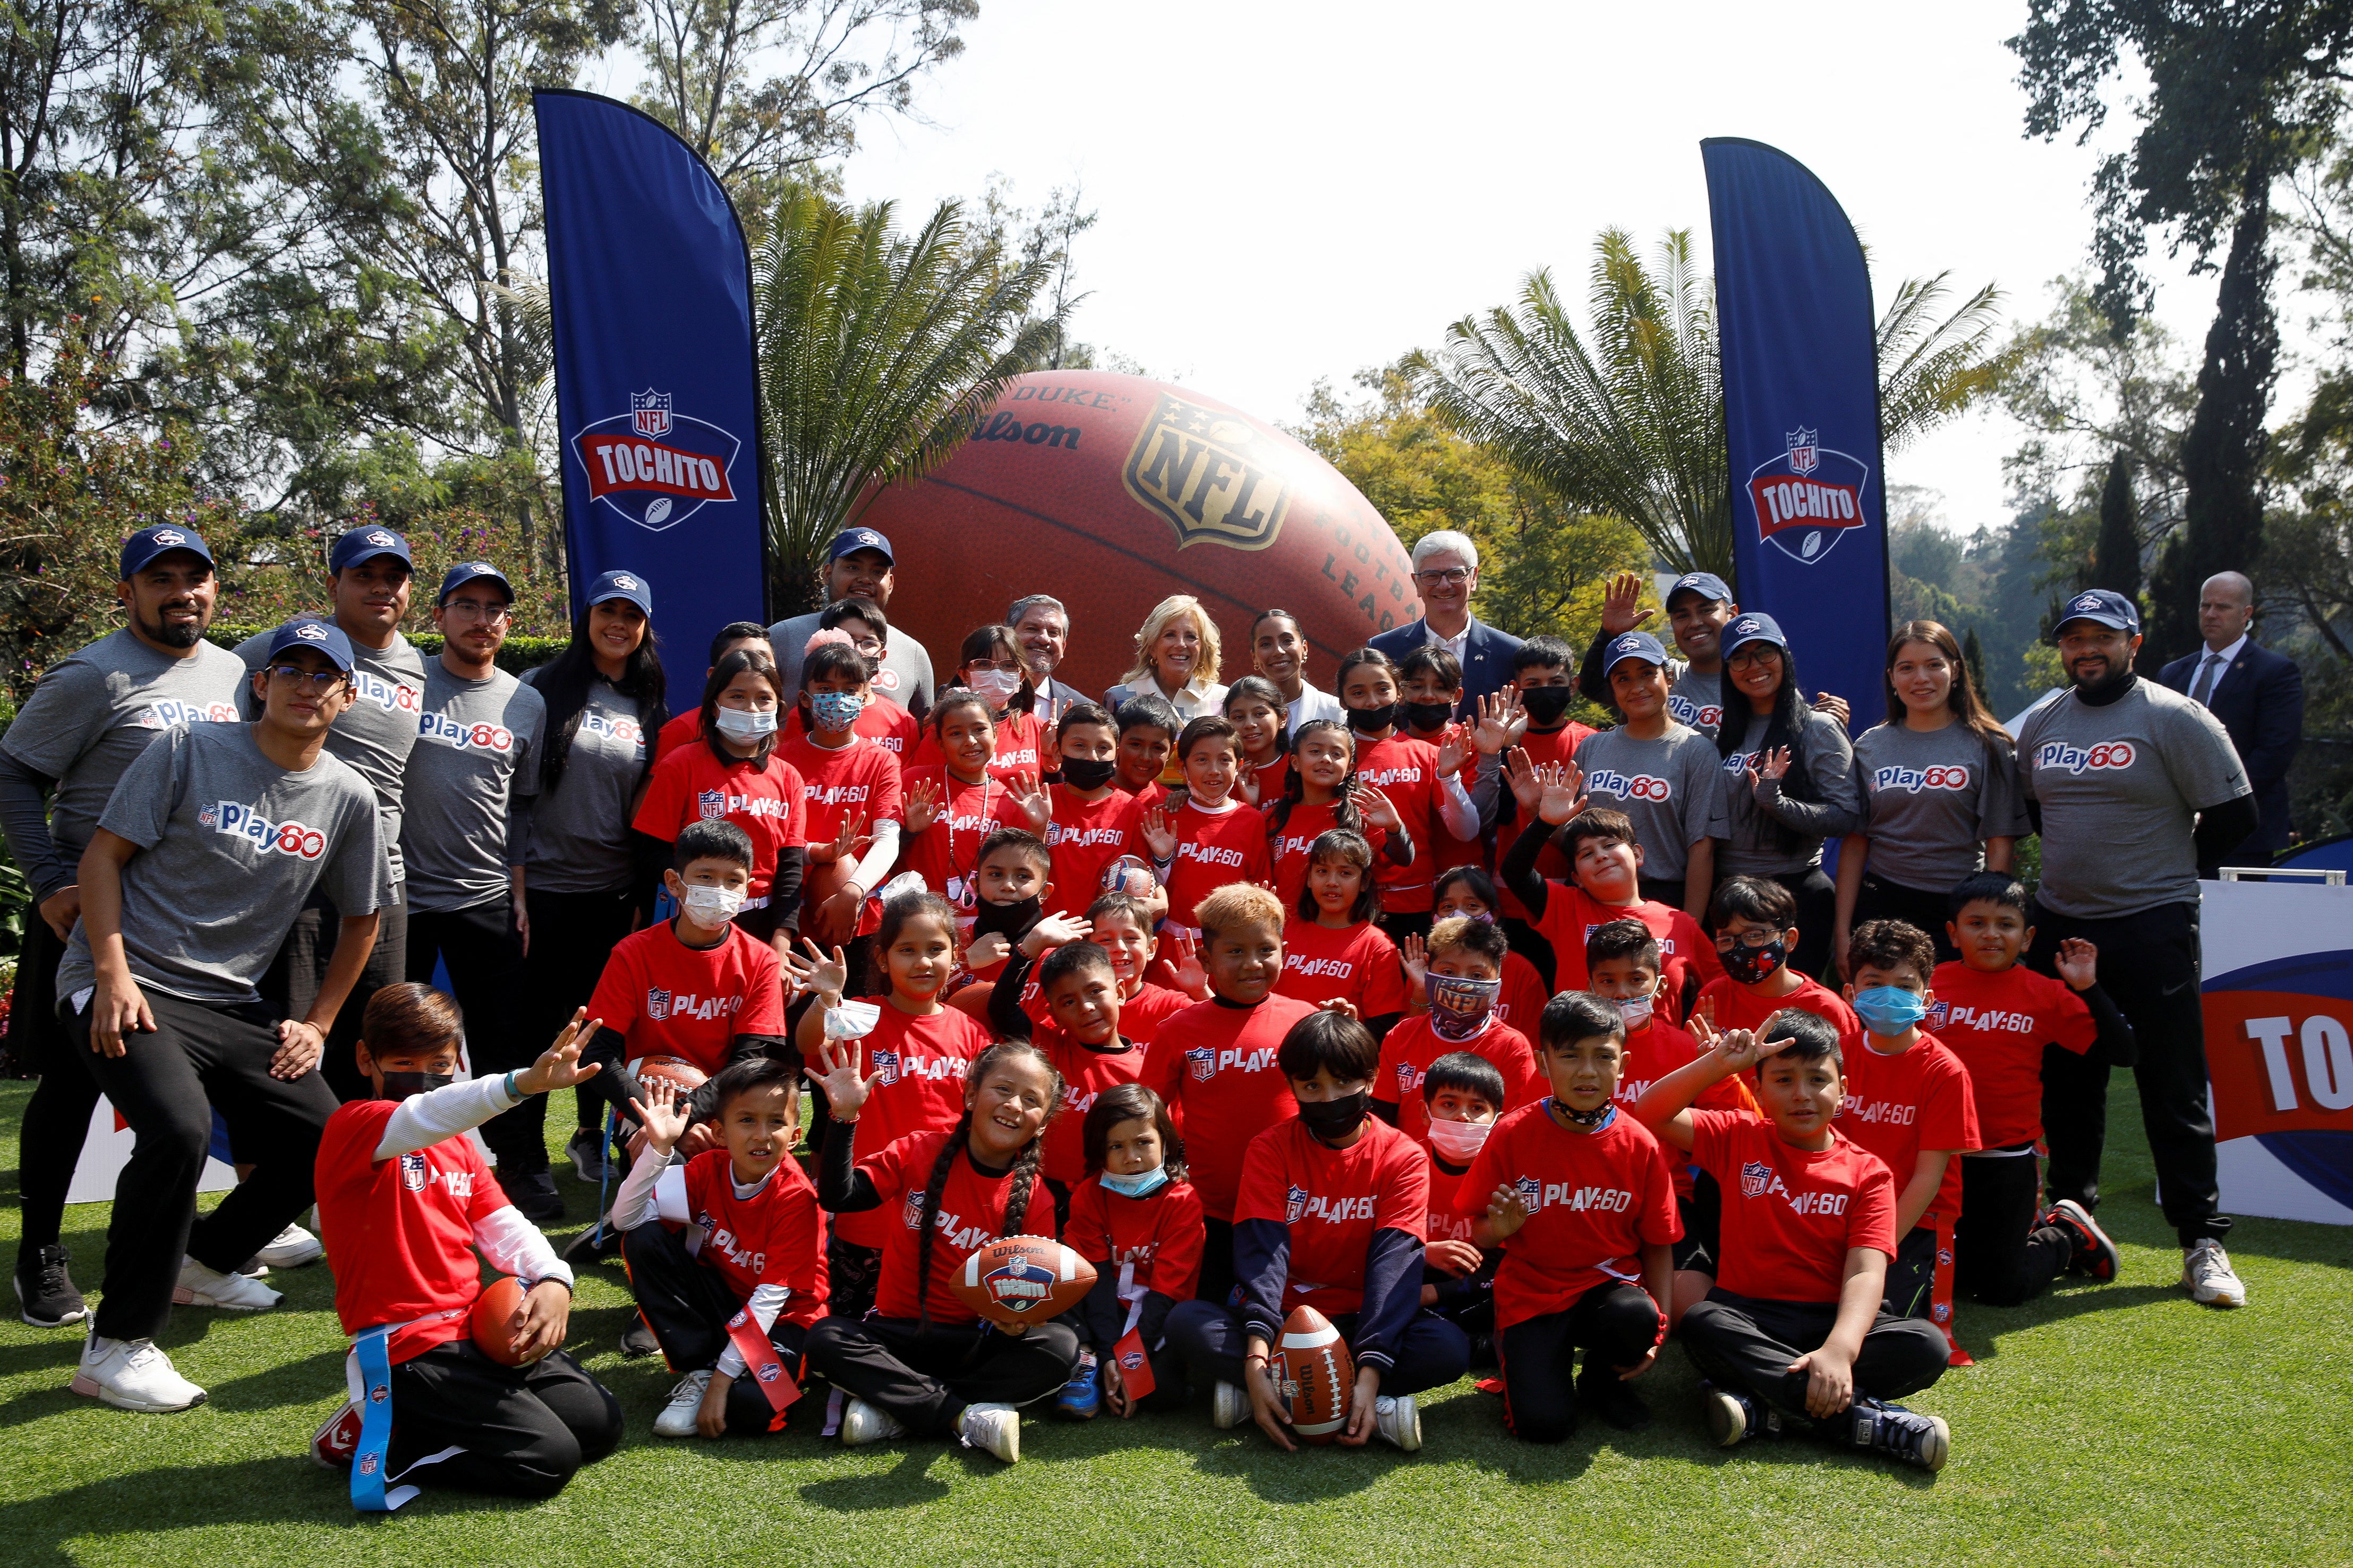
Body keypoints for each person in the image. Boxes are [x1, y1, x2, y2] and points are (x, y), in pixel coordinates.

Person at [58, 617, 389, 1412]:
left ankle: (204, 1262)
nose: (307, 685)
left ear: (346, 696)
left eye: (325, 675)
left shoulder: (349, 794)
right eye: (292, 669)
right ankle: (115, 1347)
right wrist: (111, 974)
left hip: (230, 1001)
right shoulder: (190, 748)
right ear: (262, 683)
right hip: (125, 983)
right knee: (178, 1130)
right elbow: (102, 858)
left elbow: (363, 917)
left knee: (328, 1137)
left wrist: (317, 1024)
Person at [0, 524, 246, 1327]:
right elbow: (12, 769)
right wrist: (46, 881)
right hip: (90, 912)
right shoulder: (93, 674)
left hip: (187, 921)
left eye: (196, 577)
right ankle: (39, 1252)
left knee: (180, 1097)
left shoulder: (237, 673)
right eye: (161, 579)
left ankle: (176, 1247)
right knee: (74, 1091)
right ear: (128, 593)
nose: (183, 592)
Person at [2016, 588, 2256, 1308]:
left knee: (2170, 1082)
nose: (2086, 649)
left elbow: (2232, 817)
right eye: (2073, 638)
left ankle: (2198, 1242)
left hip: (2152, 922)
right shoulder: (2045, 723)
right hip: (2061, 925)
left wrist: (2154, 872)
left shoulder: (2173, 715)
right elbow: (2036, 812)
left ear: (2133, 642)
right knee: (2068, 1081)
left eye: (2102, 637)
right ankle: (2070, 1226)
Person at [306, 989, 619, 1501]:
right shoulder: (354, 1125)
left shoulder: (459, 1148)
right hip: (406, 1347)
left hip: (473, 1329)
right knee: (548, 1461)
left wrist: (555, 1278)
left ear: (459, 1063)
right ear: (366, 1059)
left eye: (440, 1063)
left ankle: (433, 1418)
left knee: (598, 1427)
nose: (423, 1073)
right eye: (403, 1061)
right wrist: (522, 1084)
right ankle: (392, 1439)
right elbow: (423, 1114)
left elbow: (504, 1226)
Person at [1637, 1009, 1953, 1469]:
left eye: (1818, 1079)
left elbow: (1866, 1269)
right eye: (1783, 1080)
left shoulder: (1869, 1173)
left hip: (1833, 1318)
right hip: (1751, 1314)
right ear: (1760, 1091)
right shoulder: (1738, 1136)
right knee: (1706, 1322)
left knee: (1926, 1346)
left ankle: (1765, 1406)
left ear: (1843, 1090)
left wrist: (1840, 1350)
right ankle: (1864, 1420)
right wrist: (1717, 1065)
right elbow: (1647, 1113)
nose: (1802, 1094)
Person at [1164, 1009, 1468, 1452]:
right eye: (1311, 1087)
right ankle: (1353, 1405)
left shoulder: (1403, 1157)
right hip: (1284, 1318)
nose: (1329, 1098)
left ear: (1372, 1076)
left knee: (1448, 1348)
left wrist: (1370, 1368)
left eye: (1344, 1083)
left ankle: (1281, 1398)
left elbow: (1393, 1264)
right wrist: (1255, 1355)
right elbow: (1263, 1255)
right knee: (1188, 1321)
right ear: (1292, 1087)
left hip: (1356, 1319)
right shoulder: (1270, 1149)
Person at [803, 1038, 1079, 1464]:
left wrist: (1018, 1322)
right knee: (827, 1338)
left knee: (1061, 1347)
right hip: (900, 1336)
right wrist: (844, 1117)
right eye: (1003, 1089)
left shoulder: (1037, 1198)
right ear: (971, 1094)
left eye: (1031, 1099)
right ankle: (961, 1416)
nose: (1013, 1105)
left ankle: (899, 1408)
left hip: (976, 1344)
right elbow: (839, 1197)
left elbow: (1030, 1302)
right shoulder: (918, 1150)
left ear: (1042, 1122)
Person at [235, 525, 425, 1103]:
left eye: (393, 577)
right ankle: (291, 1186)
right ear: (333, 582)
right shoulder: (274, 652)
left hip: (379, 881)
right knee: (291, 1051)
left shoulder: (418, 664)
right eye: (363, 575)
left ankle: (372, 1183)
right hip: (294, 878)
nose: (380, 588)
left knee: (381, 1050)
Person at [399, 561, 554, 1219]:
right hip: (399, 896)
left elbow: (521, 809)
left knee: (502, 1044)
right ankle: (399, 1170)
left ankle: (519, 1165)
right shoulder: (402, 681)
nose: (481, 618)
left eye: (494, 608)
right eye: (466, 605)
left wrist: (517, 891)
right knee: (399, 1044)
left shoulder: (526, 701)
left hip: (484, 894)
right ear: (438, 616)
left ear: (508, 624)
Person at [1460, 992, 1680, 1440]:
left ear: (1623, 1064)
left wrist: (1660, 1330)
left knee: (1636, 1314)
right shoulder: (1512, 1134)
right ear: (1543, 1063)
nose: (1587, 1071)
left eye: (1603, 1057)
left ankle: (1603, 1382)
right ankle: (1533, 1364)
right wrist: (1499, 1229)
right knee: (1545, 1425)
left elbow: (1659, 1243)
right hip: (1533, 1293)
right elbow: (1479, 1232)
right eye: (1570, 1056)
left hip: (1607, 1290)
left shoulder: (1640, 1144)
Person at [516, 571, 668, 1184]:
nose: (619, 625)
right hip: (544, 890)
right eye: (609, 610)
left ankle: (586, 1137)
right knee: (530, 1028)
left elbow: (648, 811)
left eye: (632, 616)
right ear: (586, 616)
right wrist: (518, 888)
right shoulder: (539, 689)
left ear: (645, 628)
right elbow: (514, 797)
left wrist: (638, 894)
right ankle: (524, 1160)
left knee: (596, 1028)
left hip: (611, 894)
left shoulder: (649, 703)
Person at [784, 892, 991, 1321]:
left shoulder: (971, 1033)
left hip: (942, 1218)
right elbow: (807, 1043)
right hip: (869, 1214)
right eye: (907, 950)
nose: (923, 961)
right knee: (855, 1325)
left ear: (955, 957)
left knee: (931, 1321)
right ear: (881, 959)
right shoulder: (861, 1016)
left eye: (936, 949)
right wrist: (825, 1001)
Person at [1935, 873, 2132, 1307]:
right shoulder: (1928, 986)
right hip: (1937, 1157)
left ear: (2027, 938)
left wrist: (2088, 987)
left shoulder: (2044, 993)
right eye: (1976, 923)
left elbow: (2124, 1052)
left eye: (2006, 924)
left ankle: (2064, 1233)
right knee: (1950, 1275)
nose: (1991, 934)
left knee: (2001, 1289)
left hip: (2009, 1159)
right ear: (1953, 932)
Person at [616, 1058, 826, 1440]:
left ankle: (723, 1372)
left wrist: (724, 1382)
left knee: (752, 1410)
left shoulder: (797, 1196)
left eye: (776, 1122)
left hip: (784, 1321)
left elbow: (770, 1299)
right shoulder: (706, 1168)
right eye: (746, 1120)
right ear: (719, 1131)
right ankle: (699, 1368)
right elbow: (626, 1220)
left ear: (794, 1136)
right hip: (726, 1307)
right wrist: (658, 1151)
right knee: (645, 1240)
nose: (762, 1135)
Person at [1139, 884, 1320, 1308]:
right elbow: (1146, 1113)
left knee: (1286, 1313)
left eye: (1265, 950)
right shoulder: (1177, 1030)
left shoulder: (1306, 1021)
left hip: (1294, 1207)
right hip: (1209, 1211)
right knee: (1207, 1314)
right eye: (1235, 951)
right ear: (1206, 960)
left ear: (1284, 950)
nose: (1253, 963)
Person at [1832, 622, 2025, 977]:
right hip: (1882, 907)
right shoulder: (1869, 746)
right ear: (1892, 677)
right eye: (1907, 668)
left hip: (1958, 912)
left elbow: (2000, 845)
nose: (1921, 677)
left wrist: (1988, 925)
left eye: (1934, 664)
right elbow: (1856, 842)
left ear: (1955, 671)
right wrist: (1842, 931)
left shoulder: (1990, 746)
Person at [1588, 917, 1752, 1329]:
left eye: (1635, 979)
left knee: (1691, 1314)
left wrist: (1720, 1068)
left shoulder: (1686, 1047)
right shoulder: (1572, 1048)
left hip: (1668, 1200)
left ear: (1660, 986)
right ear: (1590, 986)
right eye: (1607, 981)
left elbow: (1745, 1124)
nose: (1622, 992)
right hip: (1586, 1198)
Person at [577, 821, 790, 1127]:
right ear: (674, 883)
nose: (719, 891)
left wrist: (681, 1120)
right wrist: (654, 1120)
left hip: (723, 1110)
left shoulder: (762, 962)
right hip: (642, 1108)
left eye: (733, 881)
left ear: (747, 891)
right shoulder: (632, 953)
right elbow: (597, 1052)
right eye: (705, 877)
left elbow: (749, 1063)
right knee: (666, 1162)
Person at [1831, 921, 1979, 1344]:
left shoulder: (1945, 1072)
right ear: (1851, 994)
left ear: (1927, 999)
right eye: (1874, 982)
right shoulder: (1835, 1055)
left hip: (1915, 1223)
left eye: (1904, 985)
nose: (1889, 995)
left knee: (1883, 1323)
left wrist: (1873, 1251)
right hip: (1839, 1211)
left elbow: (1928, 1178)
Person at [1709, 613, 1863, 981]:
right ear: (1728, 670)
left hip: (1797, 897)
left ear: (1784, 656)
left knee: (1794, 1021)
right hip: (1730, 896)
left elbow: (1846, 815)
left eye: (1764, 652)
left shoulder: (1818, 728)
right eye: (1740, 658)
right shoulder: (1723, 734)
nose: (1754, 666)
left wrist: (1777, 803)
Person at [632, 648, 808, 950]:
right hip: (689, 919)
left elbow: (791, 868)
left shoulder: (789, 778)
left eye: (763, 698)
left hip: (761, 924)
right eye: (737, 696)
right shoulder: (681, 764)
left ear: (778, 707)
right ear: (715, 706)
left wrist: (781, 942)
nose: (751, 708)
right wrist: (704, 892)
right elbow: (650, 851)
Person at [1496, 792, 1723, 1017]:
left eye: (1610, 844)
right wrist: (1545, 823)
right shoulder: (1566, 907)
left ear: (1637, 854)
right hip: (1582, 1049)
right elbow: (1515, 873)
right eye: (1586, 854)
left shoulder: (1681, 924)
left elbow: (1723, 986)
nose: (1601, 856)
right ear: (1577, 878)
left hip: (1663, 1050)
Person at [987, 940, 1147, 1237]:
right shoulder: (1048, 1050)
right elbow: (1001, 1007)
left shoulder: (1146, 1073)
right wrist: (1027, 950)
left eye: (1096, 991)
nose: (1086, 1007)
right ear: (1055, 1014)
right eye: (1069, 1001)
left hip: (1111, 1203)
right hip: (1039, 1196)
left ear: (1121, 993)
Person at [1066, 1084, 1204, 1418]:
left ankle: (1109, 1375)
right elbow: (1095, 1284)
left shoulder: (1182, 1201)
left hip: (1155, 1321)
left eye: (1144, 1142)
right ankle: (1087, 1363)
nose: (1132, 1158)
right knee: (1057, 1279)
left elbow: (1165, 1295)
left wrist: (1131, 1361)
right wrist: (1109, 1351)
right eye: (1117, 1146)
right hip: (1103, 1315)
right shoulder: (1088, 1196)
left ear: (1166, 1144)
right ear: (1100, 1153)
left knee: (1161, 1393)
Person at [2155, 570, 2305, 866]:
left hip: (2242, 832)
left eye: (2222, 607)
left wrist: (2212, 805)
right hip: (2171, 834)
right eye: (2205, 606)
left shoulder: (2274, 673)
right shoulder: (2172, 674)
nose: (2211, 614)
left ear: (2246, 613)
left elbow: (2274, 753)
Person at [1574, 630, 1723, 922]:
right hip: (1597, 899)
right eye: (1623, 679)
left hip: (1666, 901)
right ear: (1613, 690)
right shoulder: (1591, 747)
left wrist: (1688, 930)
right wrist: (1534, 809)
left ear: (1669, 678)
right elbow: (1572, 837)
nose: (1637, 687)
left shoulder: (1696, 751)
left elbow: (1702, 852)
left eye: (1647, 674)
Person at [1336, 647, 1479, 944]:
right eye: (1358, 692)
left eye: (1382, 689)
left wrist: (1448, 776)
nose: (1373, 702)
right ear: (1342, 700)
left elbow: (1466, 832)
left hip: (1416, 907)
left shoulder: (1426, 754)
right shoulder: (1332, 757)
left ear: (1398, 694)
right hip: (1347, 903)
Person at [780, 636, 905, 952]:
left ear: (865, 697)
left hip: (860, 913)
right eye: (825, 690)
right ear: (805, 699)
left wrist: (853, 891)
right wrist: (819, 853)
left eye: (850, 691)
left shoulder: (882, 760)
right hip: (792, 912)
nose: (838, 699)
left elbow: (888, 839)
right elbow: (777, 840)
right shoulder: (781, 760)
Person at [1480, 638, 1596, 979]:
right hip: (1508, 897)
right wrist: (1503, 746)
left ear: (1573, 686)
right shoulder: (1495, 739)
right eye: (1533, 684)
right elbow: (1486, 815)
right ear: (1517, 688)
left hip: (1571, 897)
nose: (1545, 691)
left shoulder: (1592, 742)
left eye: (1556, 682)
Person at [1377, 915, 1540, 1145]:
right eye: (1448, 972)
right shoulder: (1401, 1036)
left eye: (1477, 976)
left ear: (1498, 981)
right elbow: (1382, 1121)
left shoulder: (1512, 1047)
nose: (1462, 985)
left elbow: (1517, 1130)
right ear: (1429, 973)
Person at [897, 692, 1033, 930]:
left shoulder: (1010, 800)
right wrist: (909, 833)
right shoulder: (916, 782)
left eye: (980, 729)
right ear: (939, 742)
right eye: (956, 733)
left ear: (995, 734)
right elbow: (883, 851)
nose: (970, 741)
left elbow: (1024, 873)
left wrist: (1039, 829)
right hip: (920, 923)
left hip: (986, 927)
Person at [768, 528, 934, 717]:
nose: (865, 579)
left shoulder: (912, 652)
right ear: (828, 574)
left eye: (878, 572)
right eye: (853, 568)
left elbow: (925, 733)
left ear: (891, 584)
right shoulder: (783, 636)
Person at [1137, 716, 1274, 935]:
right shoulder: (1165, 816)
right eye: (1202, 760)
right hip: (1169, 942)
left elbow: (1258, 891)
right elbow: (1146, 886)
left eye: (1224, 760)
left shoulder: (1252, 820)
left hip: (1227, 946)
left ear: (1239, 765)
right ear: (1182, 766)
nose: (1214, 770)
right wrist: (1162, 859)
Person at [1369, 529, 1525, 712]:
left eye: (1456, 574)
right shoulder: (1384, 649)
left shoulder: (1510, 654)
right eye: (1431, 576)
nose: (1444, 585)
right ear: (1416, 583)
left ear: (1474, 577)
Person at [1416, 1052, 1504, 1365]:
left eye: (1478, 1108)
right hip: (1417, 1272)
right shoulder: (1404, 1165)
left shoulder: (1505, 1175)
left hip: (1480, 1284)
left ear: (1497, 1120)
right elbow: (1381, 1247)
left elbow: (1499, 1270)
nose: (1463, 1117)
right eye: (1449, 1104)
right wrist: (1423, 1253)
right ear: (1425, 1113)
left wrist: (1430, 1295)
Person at [1277, 829, 1410, 1034]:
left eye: (1345, 873)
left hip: (1338, 1059)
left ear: (1364, 882)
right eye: (1322, 871)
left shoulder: (1377, 945)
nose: (1332, 882)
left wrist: (1351, 1027)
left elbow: (1384, 1025)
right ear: (1310, 878)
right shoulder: (1283, 931)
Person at [1263, 718, 1406, 908]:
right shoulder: (1274, 818)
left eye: (1337, 754)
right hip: (1285, 930)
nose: (1326, 759)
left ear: (1349, 769)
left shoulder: (1360, 814)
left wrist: (1395, 828)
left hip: (1342, 929)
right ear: (1295, 762)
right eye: (1315, 751)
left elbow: (1403, 859)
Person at [1694, 876, 1860, 1038]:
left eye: (1754, 936)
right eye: (1727, 940)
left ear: (1789, 940)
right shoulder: (1713, 996)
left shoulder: (1827, 1008)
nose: (1741, 948)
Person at [1580, 570, 1740, 737]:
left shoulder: (1753, 681)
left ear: (1732, 614)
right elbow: (1592, 687)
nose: (1695, 623)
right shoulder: (1660, 675)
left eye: (1706, 610)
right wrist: (1608, 635)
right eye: (1682, 616)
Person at [1036, 702, 1143, 918]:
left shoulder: (1133, 811)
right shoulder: (1039, 802)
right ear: (1057, 752)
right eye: (1079, 746)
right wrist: (1036, 827)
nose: (1092, 757)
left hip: (1105, 941)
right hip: (1048, 936)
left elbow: (1142, 877)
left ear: (1117, 756)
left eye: (1103, 748)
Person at [913, 624, 1050, 781]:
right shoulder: (945, 729)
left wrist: (1054, 765)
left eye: (1008, 665)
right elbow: (916, 784)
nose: (997, 673)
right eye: (984, 664)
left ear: (1021, 676)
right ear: (964, 675)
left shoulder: (1038, 729)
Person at [787, 598, 920, 756]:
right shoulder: (805, 713)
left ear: (882, 655)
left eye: (869, 643)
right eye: (848, 639)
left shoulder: (903, 721)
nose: (857, 650)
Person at [1430, 868, 1550, 1034]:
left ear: (1493, 915)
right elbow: (1409, 1037)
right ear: (1435, 916)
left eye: (1472, 906)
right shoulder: (1428, 966)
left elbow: (1533, 1041)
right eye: (1448, 907)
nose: (1458, 916)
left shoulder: (1522, 970)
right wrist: (1420, 994)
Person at [655, 622, 774, 761]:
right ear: (713, 675)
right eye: (738, 659)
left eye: (763, 659)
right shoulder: (683, 729)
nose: (752, 666)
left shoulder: (778, 733)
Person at [1103, 593, 1228, 726]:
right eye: (1170, 635)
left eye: (1191, 637)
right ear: (1152, 647)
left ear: (1203, 649)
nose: (1181, 644)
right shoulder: (1119, 698)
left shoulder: (1223, 699)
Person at [1250, 608, 1345, 732]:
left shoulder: (1334, 712)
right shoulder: (1240, 716)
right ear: (1254, 657)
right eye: (1266, 644)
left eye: (1287, 641)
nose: (1278, 651)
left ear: (1304, 648)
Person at [1009, 593, 1093, 730]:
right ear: (1008, 637)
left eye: (1053, 632)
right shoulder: (978, 698)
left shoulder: (1083, 709)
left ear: (1063, 647)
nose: (1043, 639)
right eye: (1032, 629)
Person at [1222, 675, 1292, 803]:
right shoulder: (1222, 772)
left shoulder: (1299, 768)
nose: (1250, 724)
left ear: (1283, 718)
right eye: (1239, 717)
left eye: (1260, 714)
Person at [1113, 694, 1182, 808]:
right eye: (1136, 745)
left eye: (1157, 748)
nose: (1145, 757)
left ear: (1171, 752)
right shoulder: (1090, 792)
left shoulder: (1171, 805)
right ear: (1117, 742)